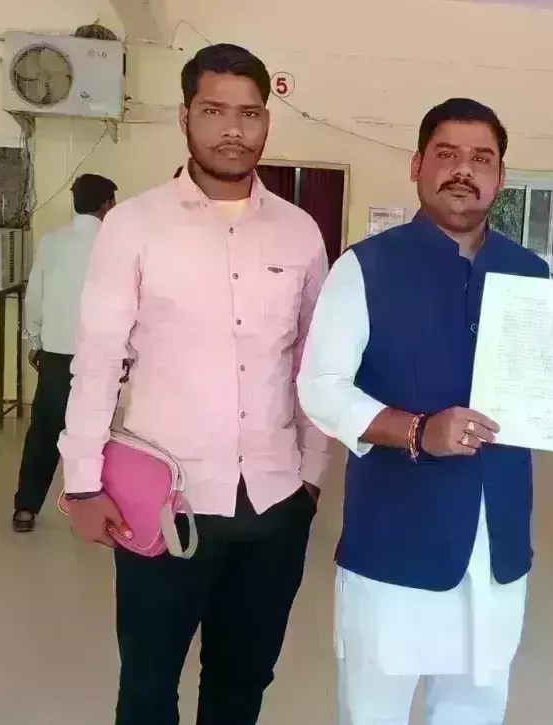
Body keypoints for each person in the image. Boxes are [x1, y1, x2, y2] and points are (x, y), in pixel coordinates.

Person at [297, 98, 553, 725]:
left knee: (475, 705)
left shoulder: (529, 273)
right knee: (374, 708)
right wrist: (418, 430)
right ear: (417, 165)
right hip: (395, 538)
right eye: (446, 154)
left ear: (501, 176)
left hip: (495, 538)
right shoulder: (365, 268)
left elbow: (536, 390)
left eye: (481, 159)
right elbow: (321, 387)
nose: (463, 170)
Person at [58, 43, 330, 725]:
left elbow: (312, 361)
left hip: (273, 504)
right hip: (163, 501)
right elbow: (97, 359)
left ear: (266, 120)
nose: (233, 129)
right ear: (185, 117)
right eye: (214, 111)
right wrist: (82, 482)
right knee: (148, 685)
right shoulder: (134, 225)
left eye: (249, 113)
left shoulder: (299, 232)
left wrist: (311, 476)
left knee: (243, 679)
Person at [12, 174, 118, 532]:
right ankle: (88, 510)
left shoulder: (52, 241)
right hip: (101, 356)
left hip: (57, 353)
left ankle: (26, 508)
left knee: (44, 432)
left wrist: (35, 341)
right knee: (95, 435)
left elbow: (35, 297)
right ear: (106, 205)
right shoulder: (115, 244)